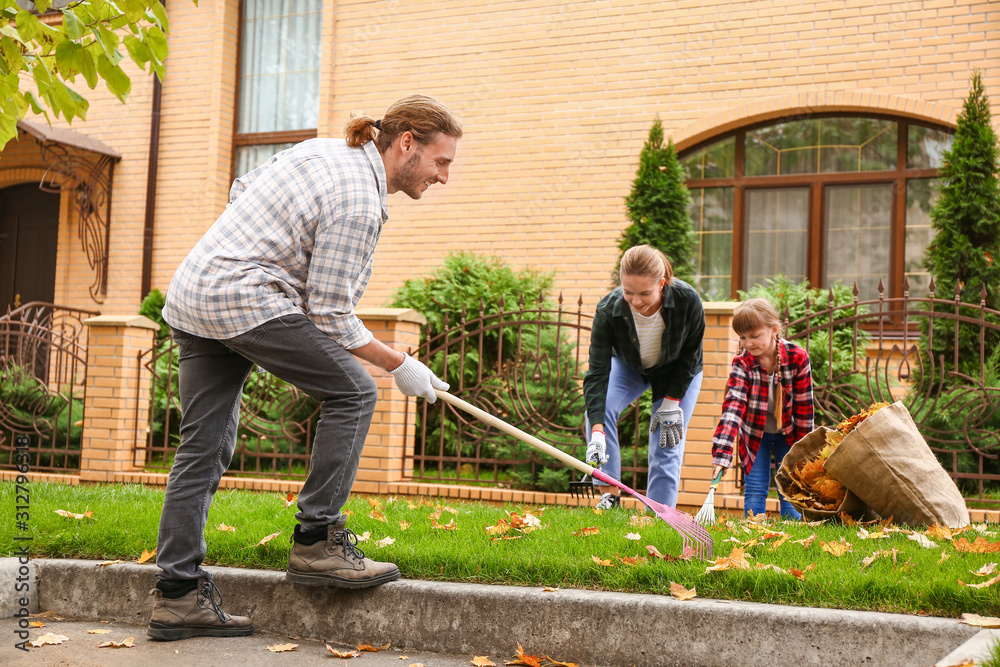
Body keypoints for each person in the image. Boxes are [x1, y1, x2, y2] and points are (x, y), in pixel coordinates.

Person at [147, 95, 462, 641]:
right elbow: (331, 313)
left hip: (195, 292)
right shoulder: (360, 200)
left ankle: (176, 597)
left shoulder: (326, 150)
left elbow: (242, 190)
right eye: (441, 161)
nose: (444, 177)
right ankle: (317, 540)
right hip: (245, 298)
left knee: (202, 448)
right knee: (356, 394)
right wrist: (400, 365)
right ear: (406, 142)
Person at [582, 245, 705, 510]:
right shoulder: (608, 309)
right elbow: (597, 373)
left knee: (666, 440)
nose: (636, 301)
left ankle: (659, 516)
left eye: (645, 293)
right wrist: (597, 432)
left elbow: (690, 355)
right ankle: (609, 497)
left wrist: (672, 401)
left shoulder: (687, 300)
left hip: (678, 372)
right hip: (630, 366)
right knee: (599, 411)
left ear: (662, 284)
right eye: (628, 292)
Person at [710, 298, 814, 520]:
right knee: (756, 487)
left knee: (790, 488)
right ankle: (752, 536)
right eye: (743, 337)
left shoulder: (798, 357)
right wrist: (722, 454)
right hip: (756, 435)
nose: (748, 343)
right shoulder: (742, 363)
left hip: (790, 435)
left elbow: (805, 408)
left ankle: (792, 538)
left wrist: (805, 451)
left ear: (774, 330)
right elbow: (733, 407)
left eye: (754, 336)